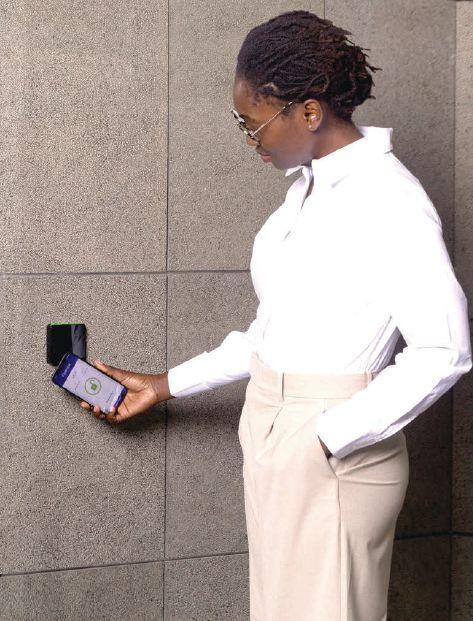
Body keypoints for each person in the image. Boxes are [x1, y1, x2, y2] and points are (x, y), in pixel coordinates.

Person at [80, 10, 472, 620]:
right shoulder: (306, 191)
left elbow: (444, 350)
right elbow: (274, 331)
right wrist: (165, 384)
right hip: (274, 427)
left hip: (331, 444)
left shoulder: (390, 200)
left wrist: (327, 437)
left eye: (252, 123)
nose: (250, 141)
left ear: (309, 112)